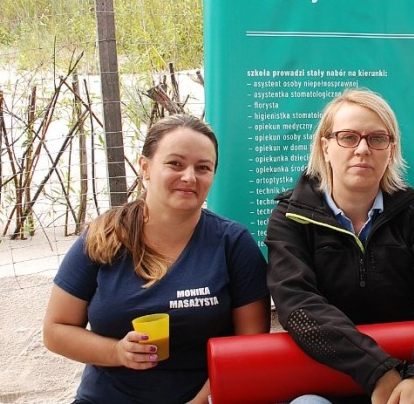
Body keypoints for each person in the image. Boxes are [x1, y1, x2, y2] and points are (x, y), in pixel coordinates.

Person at [265, 88, 414, 404]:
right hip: (329, 375)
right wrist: (377, 371)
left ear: (391, 150)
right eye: (348, 137)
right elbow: (297, 304)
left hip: (411, 369)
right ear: (325, 147)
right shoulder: (291, 218)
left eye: (377, 139)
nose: (363, 149)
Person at [43, 113, 270, 404]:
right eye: (175, 163)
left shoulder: (233, 243)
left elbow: (249, 345)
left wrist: (201, 402)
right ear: (145, 167)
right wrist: (117, 352)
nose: (189, 177)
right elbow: (56, 330)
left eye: (203, 167)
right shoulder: (103, 236)